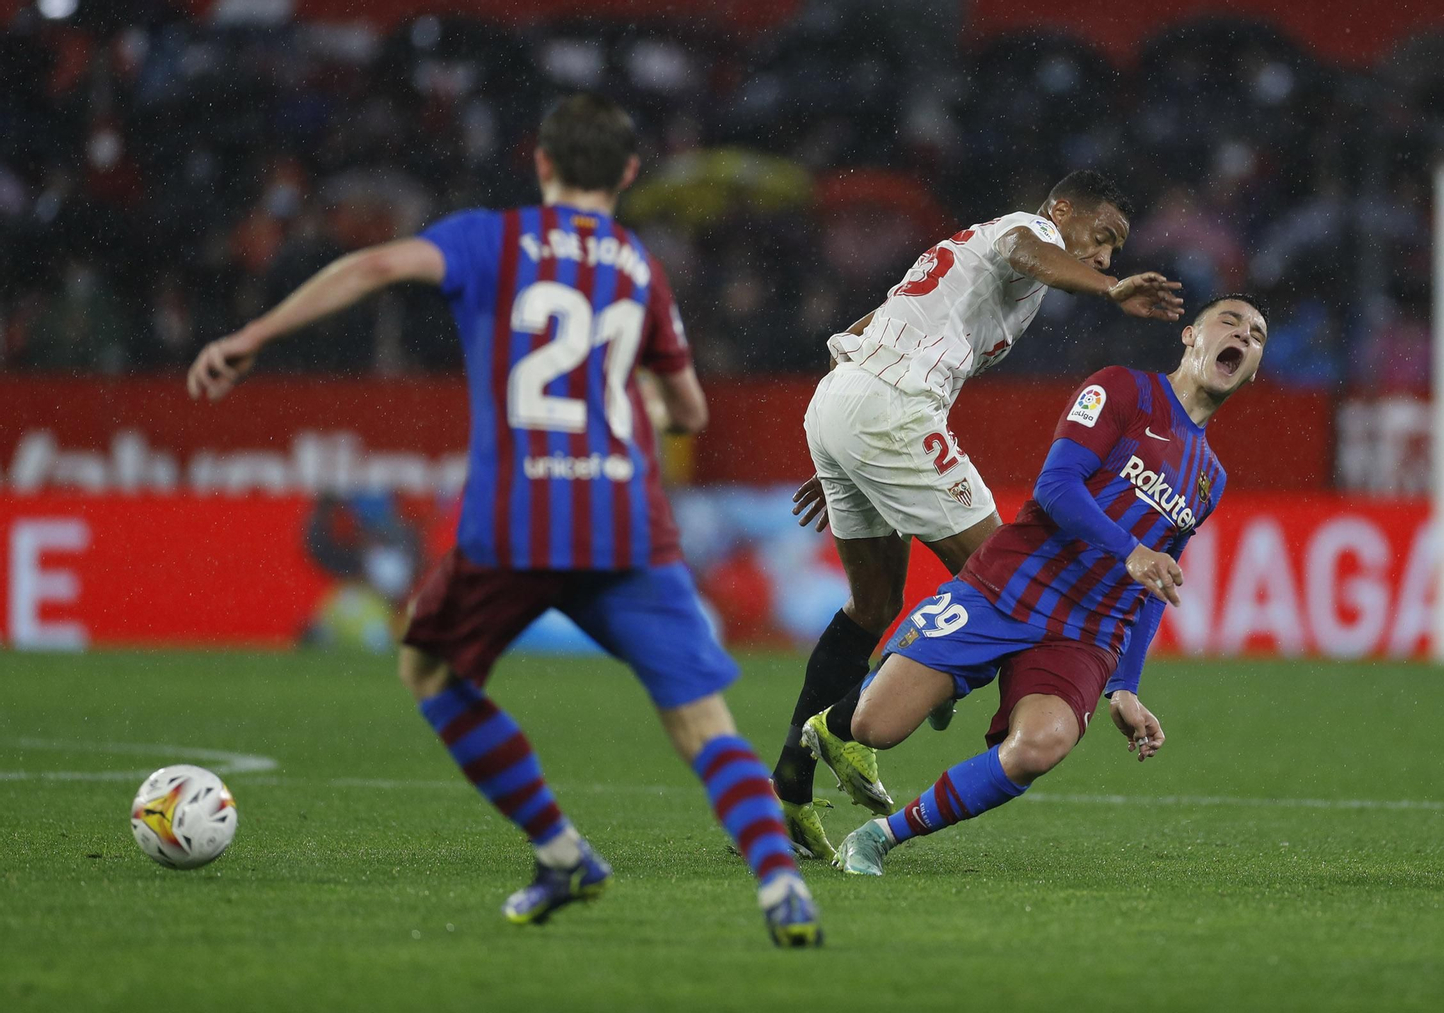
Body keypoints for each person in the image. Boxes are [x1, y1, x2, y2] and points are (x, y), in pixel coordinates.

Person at [185, 93, 822, 947]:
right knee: (702, 722)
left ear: (543, 163)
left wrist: (256, 332)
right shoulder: (638, 263)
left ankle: (562, 850)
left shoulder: (491, 237)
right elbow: (690, 410)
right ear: (629, 173)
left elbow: (374, 268)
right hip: (627, 519)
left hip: (518, 520)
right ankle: (780, 885)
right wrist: (645, 408)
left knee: (433, 673)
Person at [775, 171, 1185, 862]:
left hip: (844, 397)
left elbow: (865, 325)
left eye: (1115, 251)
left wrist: (842, 442)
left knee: (872, 605)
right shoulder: (1025, 233)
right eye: (1103, 238)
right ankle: (890, 705)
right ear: (1061, 210)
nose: (1107, 257)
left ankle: (792, 776)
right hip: (893, 406)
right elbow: (1029, 249)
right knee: (1013, 582)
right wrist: (1108, 291)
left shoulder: (972, 255)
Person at [822, 295, 1267, 875]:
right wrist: (1128, 549)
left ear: (1253, 370)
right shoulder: (1122, 391)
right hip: (1009, 588)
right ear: (1190, 336)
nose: (1243, 334)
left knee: (1038, 747)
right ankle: (949, 679)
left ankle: (879, 838)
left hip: (1086, 632)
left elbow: (1156, 583)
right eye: (1229, 321)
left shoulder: (1209, 477)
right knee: (871, 727)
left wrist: (1125, 687)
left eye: (1257, 335)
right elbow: (1058, 487)